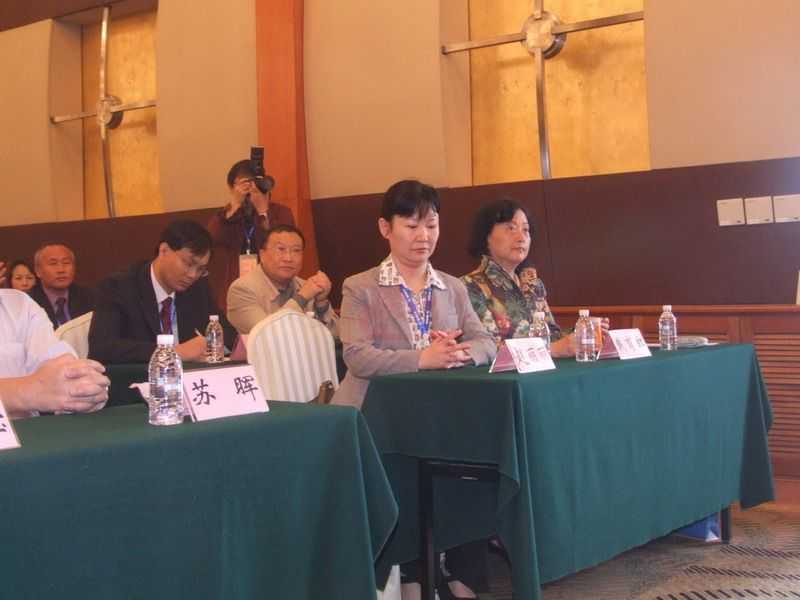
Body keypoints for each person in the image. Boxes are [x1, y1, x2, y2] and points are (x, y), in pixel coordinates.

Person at [332, 180, 495, 600]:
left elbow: (486, 342)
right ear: (385, 228)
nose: (424, 236)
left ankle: (461, 572)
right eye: (411, 225)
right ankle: (411, 572)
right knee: (403, 470)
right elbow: (358, 357)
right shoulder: (360, 287)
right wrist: (423, 358)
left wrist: (459, 353)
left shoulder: (452, 287)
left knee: (476, 460)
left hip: (439, 416)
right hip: (376, 419)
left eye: (432, 225)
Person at [462, 198, 608, 356]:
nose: (521, 237)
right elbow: (488, 349)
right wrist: (553, 350)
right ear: (486, 236)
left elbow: (552, 335)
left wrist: (581, 331)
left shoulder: (533, 285)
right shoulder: (469, 286)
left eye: (526, 230)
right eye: (511, 228)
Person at [88, 220, 237, 364]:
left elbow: (228, 335)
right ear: (164, 250)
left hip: (189, 377)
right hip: (140, 378)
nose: (193, 275)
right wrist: (174, 352)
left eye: (200, 269)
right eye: (188, 263)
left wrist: (210, 344)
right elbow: (101, 347)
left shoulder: (197, 289)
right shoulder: (118, 287)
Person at [0, 289, 109, 419]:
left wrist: (84, 388)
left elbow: (63, 371)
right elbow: (39, 387)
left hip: (29, 429)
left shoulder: (20, 304)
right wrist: (28, 390)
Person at [207, 159, 295, 311]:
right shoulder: (229, 216)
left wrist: (262, 211)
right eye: (245, 183)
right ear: (231, 187)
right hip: (237, 287)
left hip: (274, 289)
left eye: (255, 183)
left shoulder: (280, 212)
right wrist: (235, 205)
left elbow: (283, 244)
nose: (251, 189)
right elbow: (211, 239)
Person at [227, 224, 338, 336]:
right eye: (281, 249)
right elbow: (268, 333)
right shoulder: (242, 290)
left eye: (296, 250)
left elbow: (336, 336)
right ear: (262, 255)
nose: (288, 258)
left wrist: (321, 303)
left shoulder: (306, 286)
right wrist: (302, 298)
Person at [30, 242, 94, 329]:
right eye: (53, 264)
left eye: (66, 263)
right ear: (38, 271)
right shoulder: (29, 302)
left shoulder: (90, 297)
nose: (61, 270)